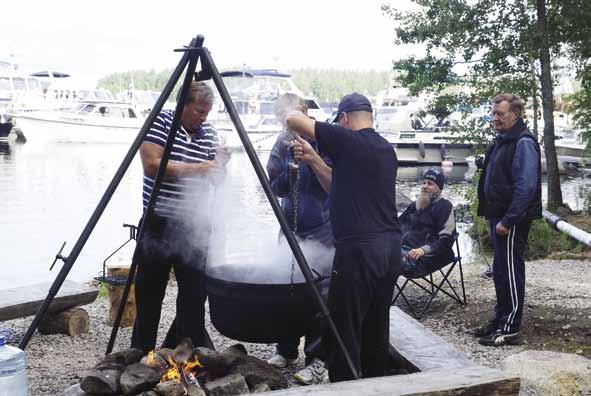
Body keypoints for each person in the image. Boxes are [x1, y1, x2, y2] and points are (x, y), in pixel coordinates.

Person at [286, 92, 401, 382]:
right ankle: (377, 384)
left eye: (339, 121)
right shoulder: (385, 149)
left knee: (342, 330)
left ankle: (344, 387)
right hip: (389, 250)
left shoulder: (348, 139)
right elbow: (336, 186)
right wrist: (313, 159)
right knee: (375, 325)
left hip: (359, 251)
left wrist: (296, 110)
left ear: (345, 119)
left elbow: (292, 119)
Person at [131, 81, 230, 353]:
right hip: (158, 222)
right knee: (149, 294)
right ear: (183, 105)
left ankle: (187, 355)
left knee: (194, 297)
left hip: (195, 226)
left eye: (207, 112)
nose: (204, 117)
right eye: (199, 111)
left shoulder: (209, 133)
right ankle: (141, 353)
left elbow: (216, 180)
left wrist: (220, 166)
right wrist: (201, 168)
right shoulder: (161, 122)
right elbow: (152, 165)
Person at [265, 93, 332, 385]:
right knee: (286, 287)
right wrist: (290, 173)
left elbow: (334, 185)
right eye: (282, 119)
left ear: (303, 111)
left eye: (289, 116)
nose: (286, 124)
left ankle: (317, 359)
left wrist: (311, 161)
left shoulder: (326, 138)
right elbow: (273, 187)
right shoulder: (281, 143)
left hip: (322, 229)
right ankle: (286, 349)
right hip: (289, 228)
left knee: (320, 293)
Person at [474, 93, 542, 347]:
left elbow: (526, 186)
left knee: (511, 270)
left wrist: (509, 220)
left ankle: (511, 326)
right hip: (497, 214)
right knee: (500, 271)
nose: (495, 118)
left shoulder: (523, 142)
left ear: (515, 114)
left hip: (511, 219)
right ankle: (500, 319)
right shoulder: (503, 140)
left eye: (500, 114)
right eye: (493, 113)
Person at [399, 168, 456, 279]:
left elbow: (446, 240)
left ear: (439, 188)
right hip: (403, 250)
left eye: (430, 184)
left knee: (387, 263)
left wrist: (423, 250)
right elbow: (396, 226)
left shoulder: (445, 207)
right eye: (424, 183)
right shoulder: (414, 205)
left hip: (427, 257)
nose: (425, 186)